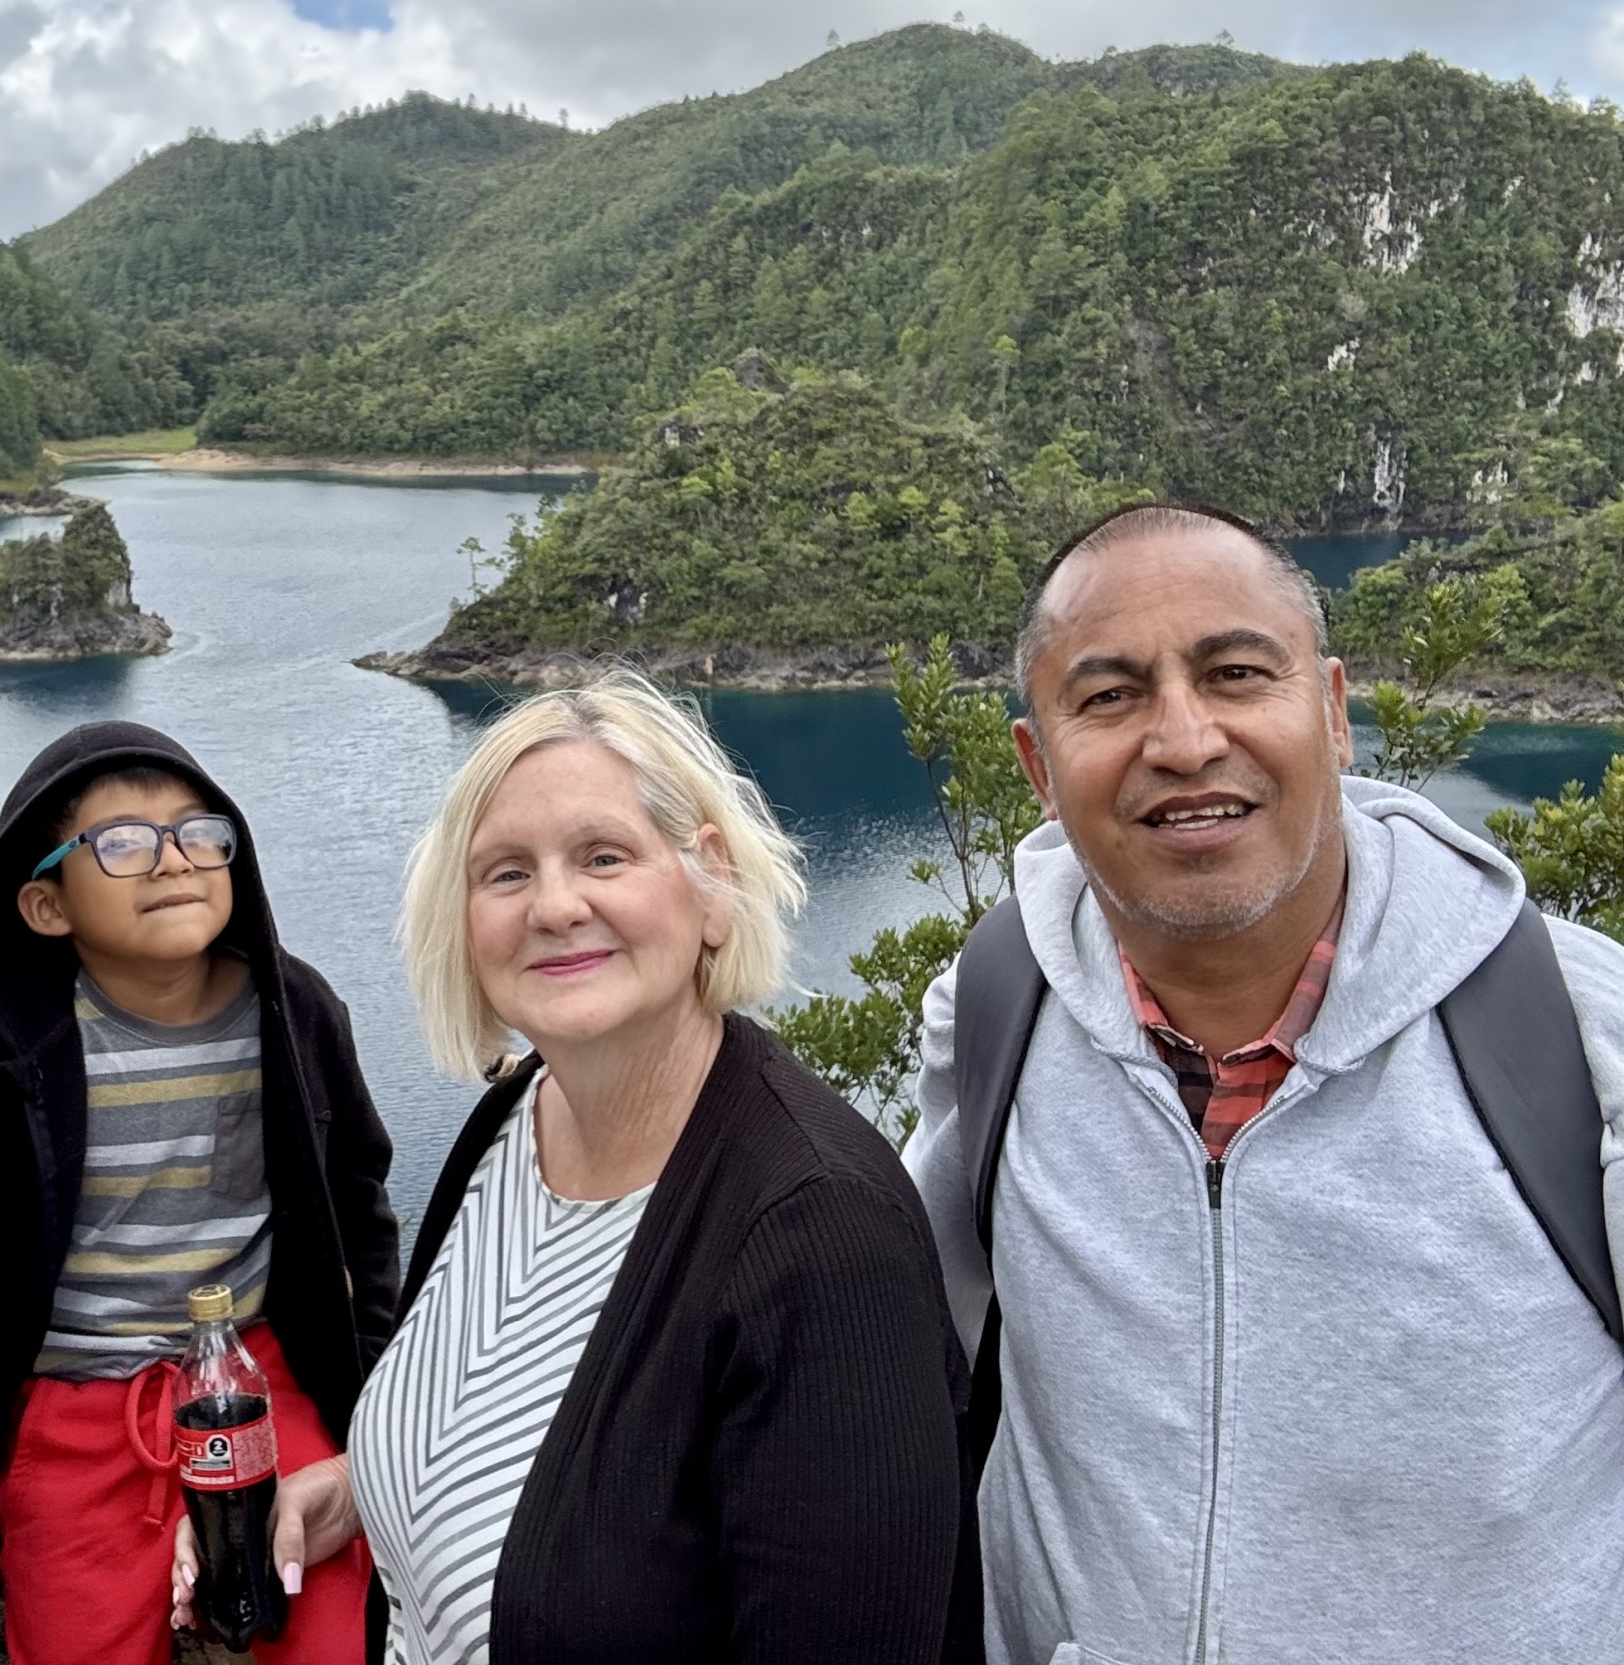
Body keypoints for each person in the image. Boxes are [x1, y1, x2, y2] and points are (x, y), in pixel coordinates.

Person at [901, 503, 1624, 1665]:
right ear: (1038, 765)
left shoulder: (1581, 1042)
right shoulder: (996, 1010)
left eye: (1235, 673)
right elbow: (900, 1350)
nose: (1183, 742)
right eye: (1108, 695)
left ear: (1331, 712)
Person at [179, 672, 972, 1664]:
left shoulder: (821, 1240)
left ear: (708, 882)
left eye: (604, 856)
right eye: (505, 873)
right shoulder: (512, 1122)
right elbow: (507, 1414)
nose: (554, 906)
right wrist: (365, 1490)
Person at [0, 722, 398, 1665]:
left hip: (256, 1369)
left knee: (328, 1614)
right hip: (74, 1403)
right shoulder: (24, 1046)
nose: (174, 860)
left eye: (199, 834)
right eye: (124, 843)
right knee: (73, 1636)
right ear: (46, 905)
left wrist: (376, 1393)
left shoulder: (291, 1011)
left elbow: (357, 1197)